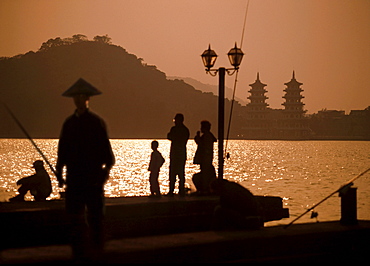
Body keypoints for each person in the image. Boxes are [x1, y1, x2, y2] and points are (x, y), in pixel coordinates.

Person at [55, 78, 115, 261]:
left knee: (96, 217)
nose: (78, 99)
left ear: (88, 98)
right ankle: (78, 250)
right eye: (76, 96)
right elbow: (62, 151)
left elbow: (109, 157)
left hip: (92, 179)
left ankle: (97, 249)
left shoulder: (97, 123)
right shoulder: (68, 124)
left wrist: (103, 176)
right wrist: (59, 172)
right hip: (74, 178)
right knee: (74, 216)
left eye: (82, 96)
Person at [166, 113, 189, 196]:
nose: (174, 122)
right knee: (180, 173)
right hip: (181, 153)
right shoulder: (185, 130)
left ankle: (172, 190)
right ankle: (180, 190)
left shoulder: (175, 129)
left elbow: (169, 136)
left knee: (174, 173)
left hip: (176, 153)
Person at [192, 120, 217, 195]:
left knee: (204, 175)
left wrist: (197, 137)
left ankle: (204, 190)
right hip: (206, 159)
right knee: (204, 174)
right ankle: (204, 189)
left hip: (205, 159)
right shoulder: (207, 136)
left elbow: (202, 145)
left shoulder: (207, 136)